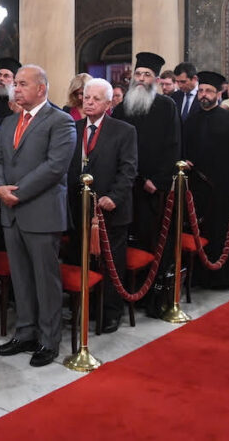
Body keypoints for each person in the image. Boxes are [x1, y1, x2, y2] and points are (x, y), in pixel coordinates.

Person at [0, 65, 76, 365]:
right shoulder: (10, 122)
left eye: (23, 84)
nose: (16, 89)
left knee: (45, 279)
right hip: (11, 213)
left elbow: (55, 167)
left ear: (42, 88)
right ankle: (25, 332)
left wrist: (17, 192)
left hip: (40, 212)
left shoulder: (61, 121)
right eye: (16, 84)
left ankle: (49, 340)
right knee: (21, 278)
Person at [67, 78, 137, 334]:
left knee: (110, 263)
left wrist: (114, 197)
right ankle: (85, 306)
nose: (89, 102)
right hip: (79, 209)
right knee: (81, 258)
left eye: (96, 99)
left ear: (108, 103)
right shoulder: (72, 128)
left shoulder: (124, 130)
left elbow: (129, 170)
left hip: (110, 210)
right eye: (86, 97)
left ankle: (110, 312)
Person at [183, 71, 229, 289]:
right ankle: (198, 278)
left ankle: (223, 279)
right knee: (199, 233)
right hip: (197, 191)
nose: (204, 95)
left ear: (219, 93)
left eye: (209, 91)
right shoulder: (191, 120)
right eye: (201, 91)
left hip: (224, 192)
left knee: (223, 235)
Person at [112, 52, 180, 252]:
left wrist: (159, 180)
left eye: (147, 74)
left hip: (151, 186)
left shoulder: (167, 106)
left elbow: (173, 145)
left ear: (156, 80)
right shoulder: (122, 107)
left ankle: (152, 280)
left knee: (150, 235)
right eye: (138, 74)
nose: (141, 78)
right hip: (125, 184)